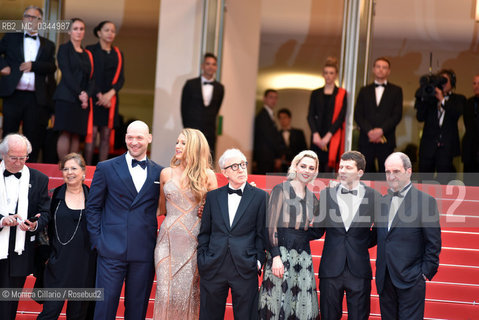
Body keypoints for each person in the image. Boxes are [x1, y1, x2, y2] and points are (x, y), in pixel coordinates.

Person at [86, 120, 163, 320]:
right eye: (130, 137)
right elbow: (93, 207)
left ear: (149, 138)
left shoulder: (160, 172)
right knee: (104, 310)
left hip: (144, 252)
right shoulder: (106, 167)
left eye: (139, 137)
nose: (134, 142)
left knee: (137, 311)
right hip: (110, 250)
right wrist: (98, 242)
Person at [153, 128, 218, 319]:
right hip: (167, 240)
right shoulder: (166, 173)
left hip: (194, 241)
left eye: (183, 143)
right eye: (177, 142)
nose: (178, 146)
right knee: (164, 291)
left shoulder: (208, 176)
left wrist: (204, 211)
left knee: (186, 294)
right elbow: (162, 209)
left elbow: (215, 212)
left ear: (195, 147)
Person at [197, 148, 267, 320]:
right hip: (213, 265)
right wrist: (203, 258)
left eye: (243, 165)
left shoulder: (260, 197)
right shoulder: (213, 197)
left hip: (245, 266)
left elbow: (262, 233)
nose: (241, 169)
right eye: (235, 166)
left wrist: (257, 261)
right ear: (224, 172)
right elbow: (205, 232)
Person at [375, 152, 441, 319]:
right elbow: (380, 236)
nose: (391, 176)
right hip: (385, 278)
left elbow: (433, 243)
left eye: (396, 171)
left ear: (409, 171)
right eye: (387, 172)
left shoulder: (426, 201)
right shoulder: (381, 202)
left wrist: (424, 273)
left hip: (411, 279)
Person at [317, 151, 380, 320]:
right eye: (341, 167)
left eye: (348, 167)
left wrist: (360, 243)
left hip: (359, 270)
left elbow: (380, 231)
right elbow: (317, 228)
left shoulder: (374, 197)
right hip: (330, 270)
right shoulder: (326, 195)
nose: (342, 171)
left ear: (360, 172)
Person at [258, 150, 321, 320]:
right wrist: (275, 256)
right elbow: (270, 225)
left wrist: (302, 236)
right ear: (295, 166)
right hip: (281, 254)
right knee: (277, 304)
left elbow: (320, 228)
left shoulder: (313, 199)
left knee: (300, 306)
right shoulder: (281, 190)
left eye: (311, 168)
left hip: (303, 257)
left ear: (315, 172)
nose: (307, 170)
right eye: (303, 166)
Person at [38, 153, 96, 320]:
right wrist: (46, 255)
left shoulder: (93, 198)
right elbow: (42, 226)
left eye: (74, 168)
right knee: (49, 313)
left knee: (78, 315)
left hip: (84, 265)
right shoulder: (52, 196)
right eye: (65, 169)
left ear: (84, 172)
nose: (69, 172)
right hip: (58, 265)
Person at [0, 134, 50, 319]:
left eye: (24, 158)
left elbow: (45, 213)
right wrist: (2, 220)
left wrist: (34, 224)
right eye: (14, 158)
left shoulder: (39, 179)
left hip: (19, 252)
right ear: (3, 155)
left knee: (8, 305)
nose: (19, 163)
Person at [0, 6, 56, 162]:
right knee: (9, 135)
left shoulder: (48, 44)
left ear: (40, 21)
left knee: (33, 137)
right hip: (13, 94)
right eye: (28, 16)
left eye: (35, 17)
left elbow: (52, 67)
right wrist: (2, 66)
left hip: (35, 98)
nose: (31, 19)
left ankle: (30, 172)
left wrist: (33, 65)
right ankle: (5, 169)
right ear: (23, 19)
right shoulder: (11, 38)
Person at [53, 18, 94, 160]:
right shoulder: (64, 49)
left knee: (76, 133)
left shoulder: (87, 53)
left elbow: (92, 77)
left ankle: (72, 166)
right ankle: (63, 166)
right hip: (66, 96)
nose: (79, 32)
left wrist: (86, 94)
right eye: (75, 29)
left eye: (81, 29)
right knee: (65, 133)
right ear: (70, 31)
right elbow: (67, 73)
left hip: (82, 100)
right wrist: (80, 93)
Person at [84, 21, 125, 165]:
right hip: (94, 99)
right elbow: (89, 75)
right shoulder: (90, 50)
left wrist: (109, 95)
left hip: (111, 100)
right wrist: (99, 95)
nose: (110, 33)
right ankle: (87, 169)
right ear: (99, 32)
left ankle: (101, 170)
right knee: (92, 134)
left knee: (106, 136)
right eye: (107, 30)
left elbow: (121, 79)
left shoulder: (118, 54)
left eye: (113, 31)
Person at [415, 69, 466, 184]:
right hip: (428, 147)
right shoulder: (430, 99)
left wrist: (442, 99)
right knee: (424, 181)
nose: (442, 84)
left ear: (452, 83)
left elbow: (456, 112)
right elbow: (420, 117)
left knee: (445, 182)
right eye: (440, 81)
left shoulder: (459, 99)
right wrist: (423, 96)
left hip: (447, 148)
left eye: (445, 81)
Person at [354, 57, 403, 174]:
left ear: (389, 71)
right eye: (378, 67)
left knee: (386, 174)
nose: (381, 70)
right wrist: (370, 131)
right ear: (373, 69)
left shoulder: (396, 90)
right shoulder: (364, 90)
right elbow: (358, 114)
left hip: (386, 139)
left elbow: (397, 115)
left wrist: (381, 131)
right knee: (364, 174)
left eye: (384, 67)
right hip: (366, 139)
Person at [181, 53, 224, 160]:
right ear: (202, 66)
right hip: (192, 131)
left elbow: (217, 109)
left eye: (213, 64)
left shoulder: (220, 88)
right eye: (208, 64)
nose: (210, 66)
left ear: (216, 67)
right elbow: (183, 108)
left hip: (210, 132)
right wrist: (187, 131)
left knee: (208, 161)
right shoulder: (190, 84)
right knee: (189, 159)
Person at [307, 57, 347, 172]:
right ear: (322, 74)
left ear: (336, 75)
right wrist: (315, 134)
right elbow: (310, 115)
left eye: (331, 73)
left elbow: (341, 117)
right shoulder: (315, 93)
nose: (328, 75)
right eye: (326, 73)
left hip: (332, 136)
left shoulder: (341, 94)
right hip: (317, 136)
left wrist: (328, 136)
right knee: (315, 167)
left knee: (328, 170)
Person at [253, 89, 286, 174]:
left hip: (268, 158)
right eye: (271, 97)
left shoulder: (269, 114)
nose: (274, 100)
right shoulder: (263, 116)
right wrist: (278, 155)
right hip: (265, 158)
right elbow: (270, 138)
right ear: (264, 99)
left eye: (275, 98)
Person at [462, 74, 479, 184]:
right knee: (469, 185)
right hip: (469, 151)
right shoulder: (468, 102)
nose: (476, 86)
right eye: (474, 83)